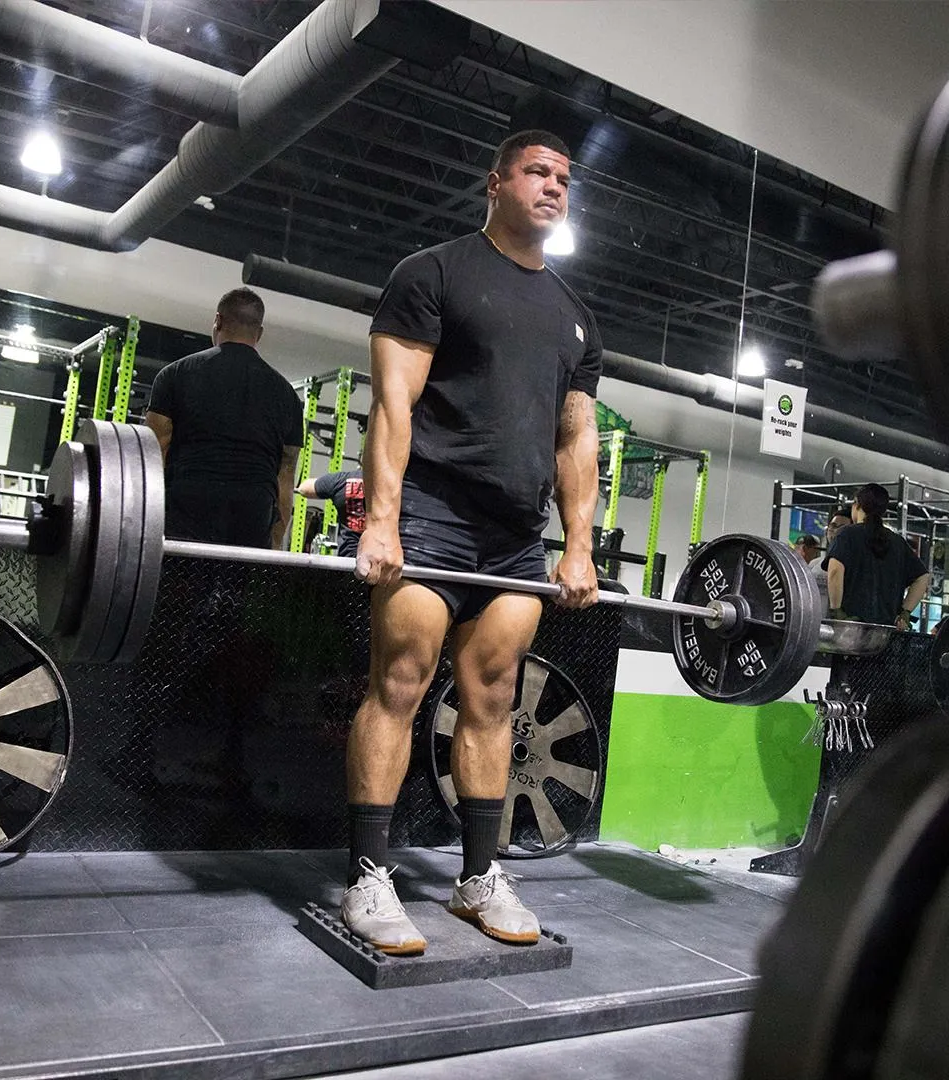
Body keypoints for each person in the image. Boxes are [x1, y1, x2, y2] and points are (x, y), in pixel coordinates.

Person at [340, 129, 602, 955]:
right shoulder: (433, 273)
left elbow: (576, 442)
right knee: (403, 683)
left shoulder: (574, 317)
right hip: (431, 516)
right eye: (537, 171)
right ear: (496, 182)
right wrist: (382, 518)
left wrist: (580, 546)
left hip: (516, 538)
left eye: (563, 177)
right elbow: (393, 404)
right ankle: (370, 879)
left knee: (492, 698)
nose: (554, 186)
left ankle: (477, 877)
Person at [144, 288, 303, 549]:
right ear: (259, 334)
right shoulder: (288, 397)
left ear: (218, 321)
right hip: (251, 522)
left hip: (186, 518)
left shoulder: (174, 375)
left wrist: (148, 530)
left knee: (182, 591)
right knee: (235, 590)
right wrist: (274, 546)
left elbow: (153, 456)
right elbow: (285, 478)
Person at [826, 483, 930, 629]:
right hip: (885, 633)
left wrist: (836, 610)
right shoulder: (898, 542)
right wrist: (905, 612)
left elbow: (835, 571)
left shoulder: (847, 534)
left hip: (851, 629)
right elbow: (923, 577)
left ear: (857, 505)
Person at [296, 469, 365, 556]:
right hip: (380, 561)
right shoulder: (386, 483)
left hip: (347, 560)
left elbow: (303, 488)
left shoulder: (344, 480)